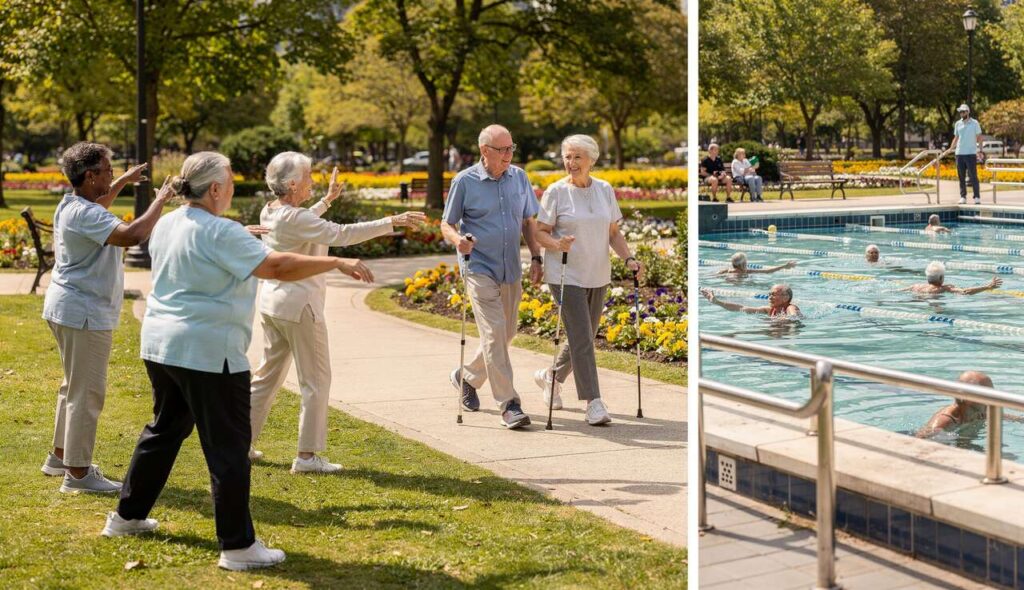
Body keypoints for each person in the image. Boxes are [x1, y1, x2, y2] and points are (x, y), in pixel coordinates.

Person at [105, 152, 373, 570]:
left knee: (164, 430)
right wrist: (336, 259)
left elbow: (211, 247)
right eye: (229, 181)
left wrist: (236, 233)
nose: (233, 186)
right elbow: (277, 266)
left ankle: (126, 517)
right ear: (214, 189)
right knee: (228, 449)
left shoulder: (170, 222)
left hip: (161, 347)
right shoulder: (221, 233)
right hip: (209, 353)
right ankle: (238, 547)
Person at [248, 152, 425, 472]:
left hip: (274, 304)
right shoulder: (297, 218)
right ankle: (307, 456)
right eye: (308, 177)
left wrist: (326, 200)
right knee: (316, 380)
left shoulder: (270, 211)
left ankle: (239, 444)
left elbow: (303, 224)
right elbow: (340, 235)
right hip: (301, 307)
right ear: (291, 184)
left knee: (266, 377)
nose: (312, 181)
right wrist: (390, 221)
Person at [41, 142, 163, 493]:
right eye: (108, 170)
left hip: (67, 307)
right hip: (84, 313)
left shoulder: (73, 205)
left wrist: (121, 180)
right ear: (90, 175)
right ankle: (78, 474)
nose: (111, 174)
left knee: (72, 387)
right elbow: (133, 235)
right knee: (87, 393)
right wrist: (161, 199)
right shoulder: (86, 213)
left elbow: (99, 210)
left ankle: (59, 456)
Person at [532, 134, 644, 426]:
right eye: (567, 156)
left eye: (577, 157)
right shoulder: (556, 192)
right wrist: (557, 244)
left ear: (591, 160)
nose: (571, 162)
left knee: (585, 335)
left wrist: (628, 258)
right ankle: (593, 402)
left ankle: (551, 376)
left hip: (598, 274)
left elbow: (613, 233)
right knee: (582, 337)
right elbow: (540, 232)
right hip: (565, 274)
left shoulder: (605, 190)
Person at [440, 124, 542, 430]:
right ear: (485, 151)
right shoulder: (465, 181)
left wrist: (536, 256)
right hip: (479, 267)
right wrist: (458, 240)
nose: (509, 155)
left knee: (506, 333)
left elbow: (528, 220)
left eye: (512, 148)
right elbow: (447, 224)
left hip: (510, 267)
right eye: (503, 150)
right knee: (495, 332)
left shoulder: (519, 177)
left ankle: (466, 376)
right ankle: (509, 405)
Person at [916, 371, 992, 437]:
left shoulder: (981, 411)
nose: (991, 399)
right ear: (967, 396)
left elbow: (999, 416)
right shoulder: (944, 422)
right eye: (986, 394)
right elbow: (920, 442)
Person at [949, 104, 984, 205]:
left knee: (973, 176)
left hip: (971, 153)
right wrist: (951, 148)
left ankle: (977, 197)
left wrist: (980, 151)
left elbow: (979, 137)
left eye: (963, 111)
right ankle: (963, 196)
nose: (961, 113)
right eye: (960, 112)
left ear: (968, 112)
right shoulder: (957, 124)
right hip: (959, 153)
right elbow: (956, 138)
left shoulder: (975, 123)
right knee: (961, 177)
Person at [701, 284, 801, 317]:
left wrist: (782, 320)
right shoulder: (768, 310)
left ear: (786, 297)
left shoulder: (790, 307)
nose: (769, 297)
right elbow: (741, 308)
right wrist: (717, 302)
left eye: (773, 295)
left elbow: (795, 317)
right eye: (769, 294)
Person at [906, 261, 1000, 295]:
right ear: (941, 277)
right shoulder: (945, 288)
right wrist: (988, 286)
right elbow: (965, 292)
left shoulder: (915, 286)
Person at [716, 252, 796, 276]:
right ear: (744, 263)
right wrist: (784, 266)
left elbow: (715, 275)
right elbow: (767, 271)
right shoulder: (745, 272)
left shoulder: (727, 271)